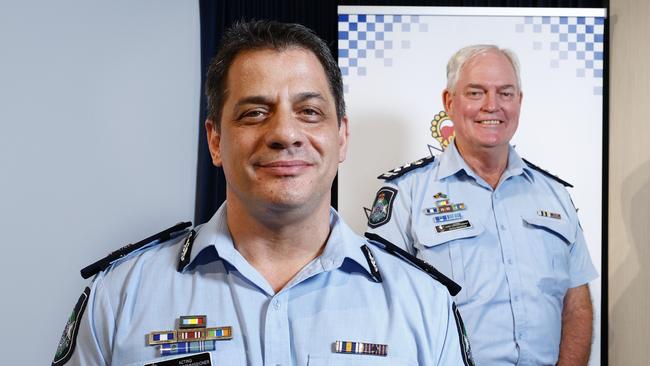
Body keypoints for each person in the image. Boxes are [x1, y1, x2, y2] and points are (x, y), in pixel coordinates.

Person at [52, 20, 471, 366]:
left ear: (341, 137)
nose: (285, 134)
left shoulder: (424, 305)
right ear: (215, 141)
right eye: (255, 113)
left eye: (309, 112)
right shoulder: (122, 296)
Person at [366, 44, 598, 366]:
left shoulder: (554, 194)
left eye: (505, 93)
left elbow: (576, 304)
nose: (492, 106)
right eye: (476, 93)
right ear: (449, 102)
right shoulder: (407, 193)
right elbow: (380, 307)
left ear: (519, 101)